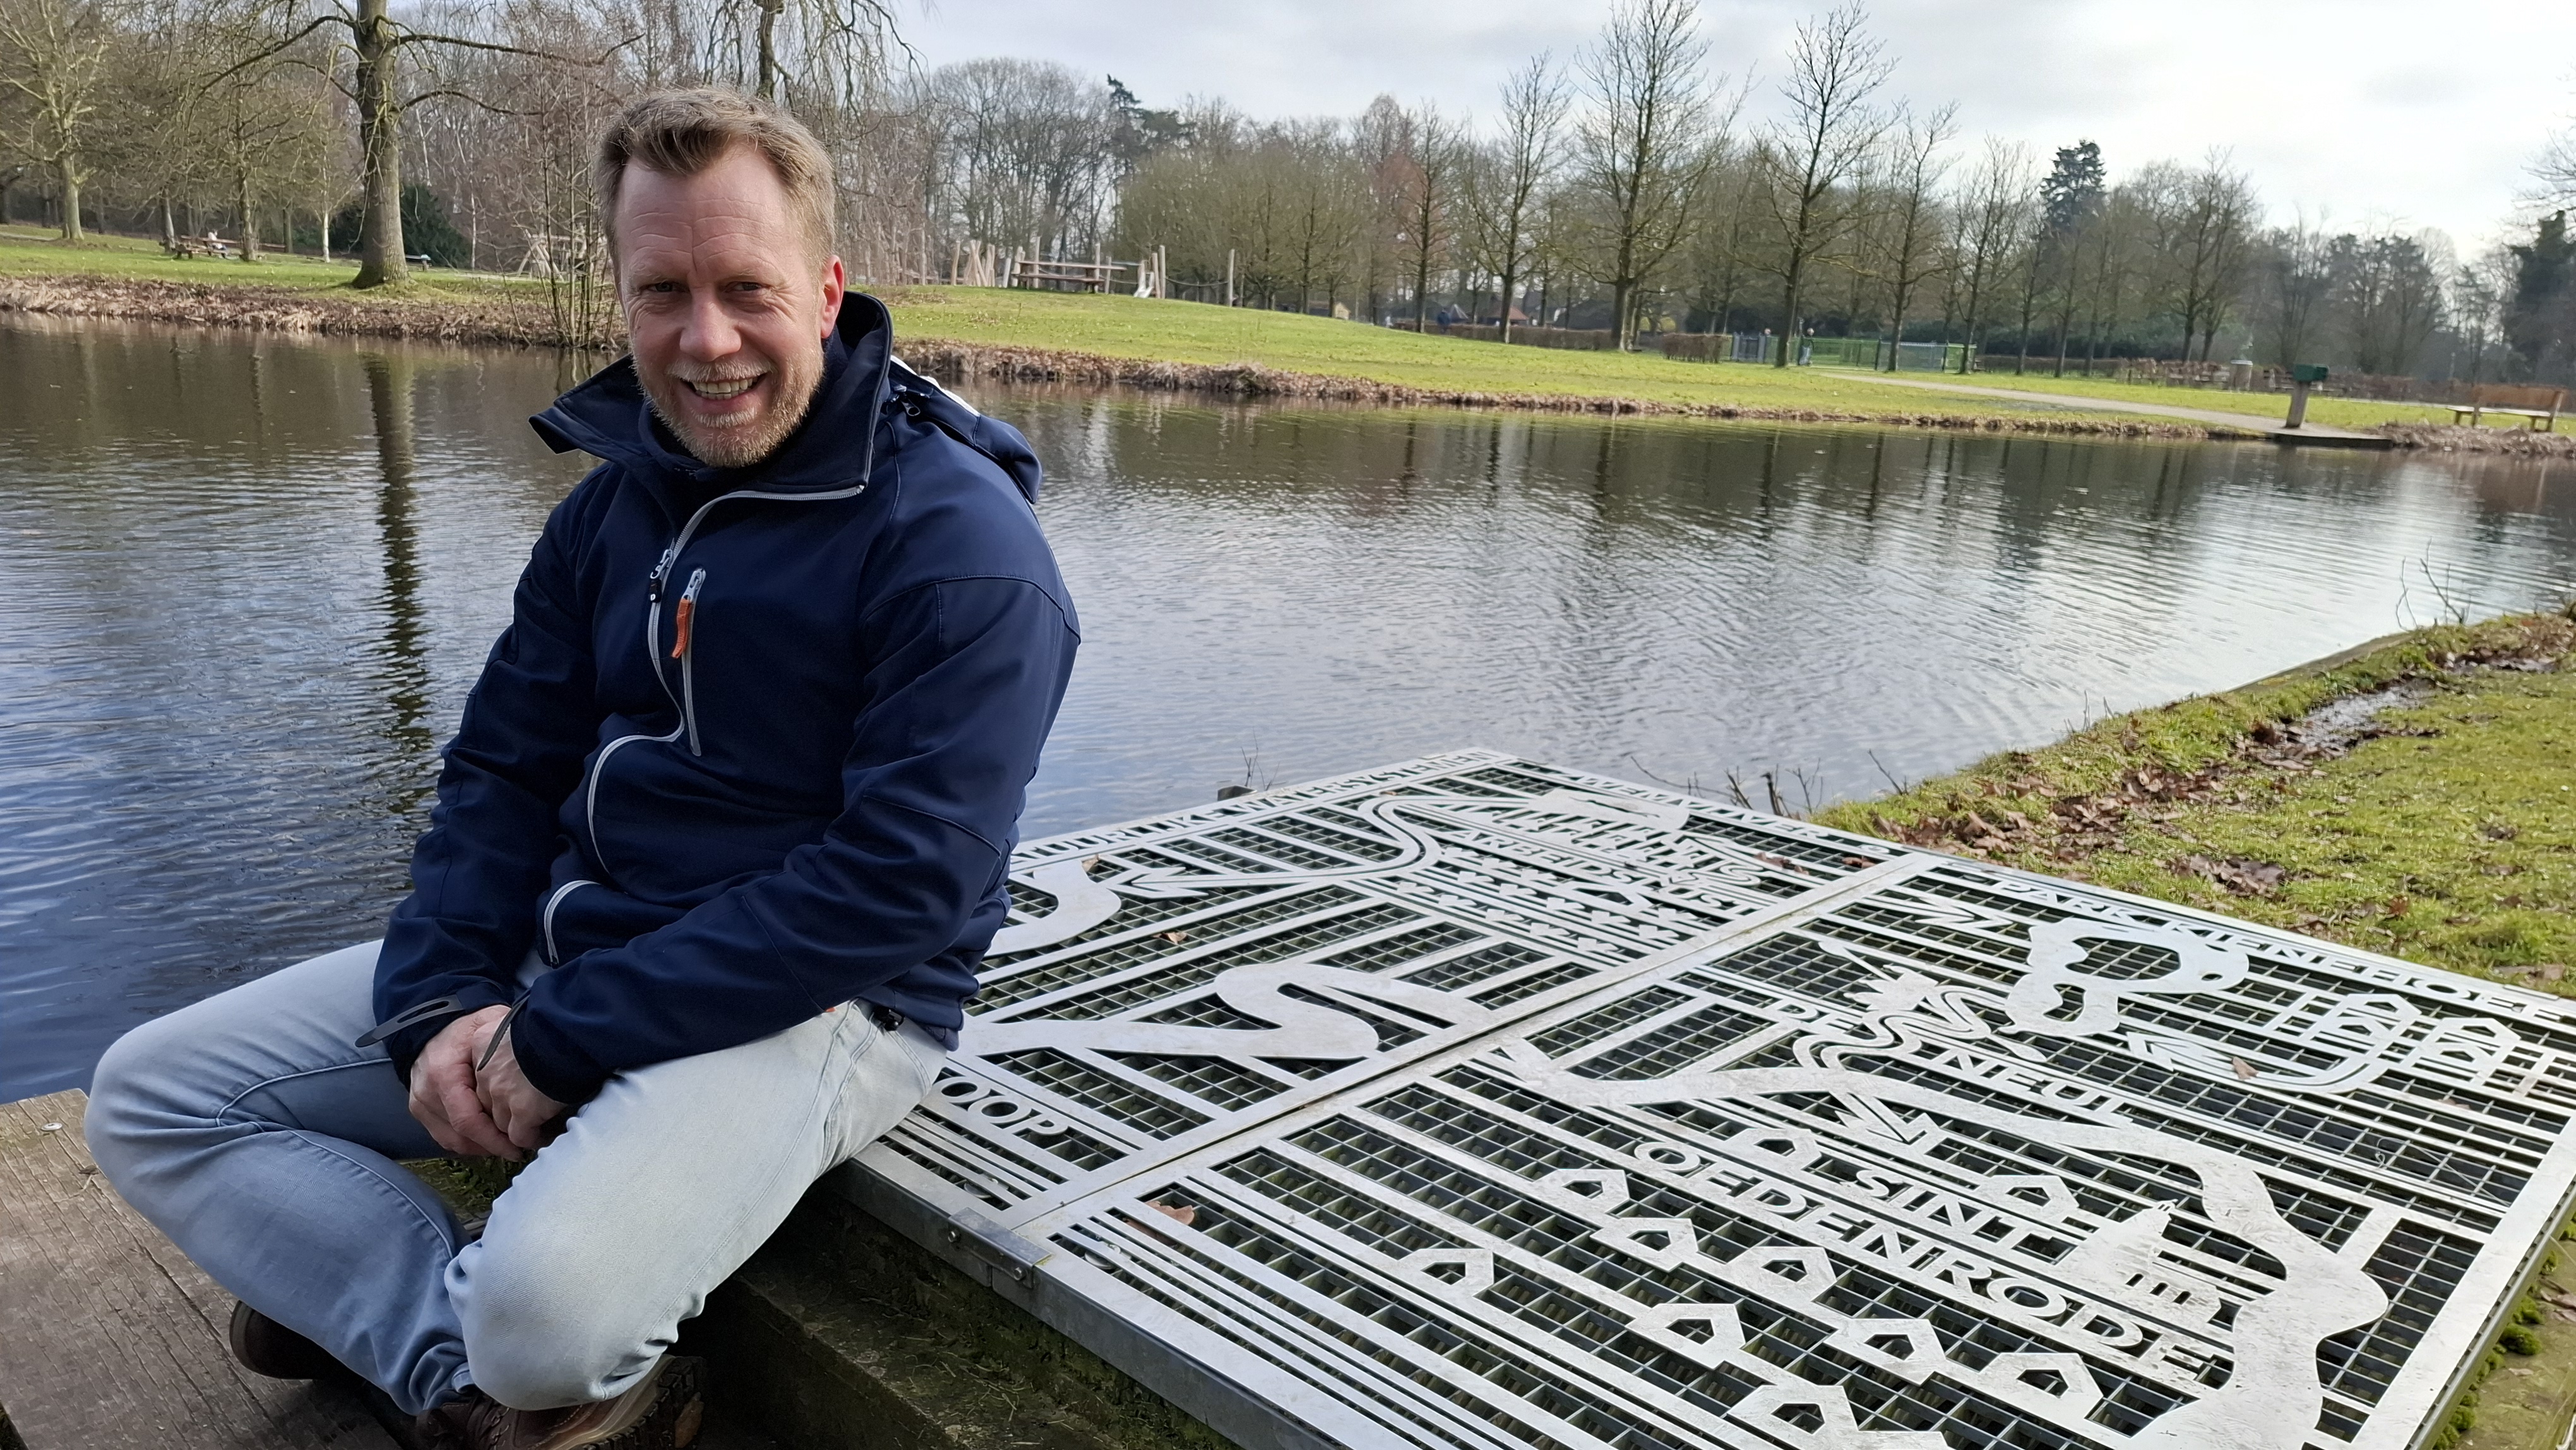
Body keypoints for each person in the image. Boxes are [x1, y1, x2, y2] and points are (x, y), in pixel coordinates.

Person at [85, 87, 1078, 1450]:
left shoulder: (963, 549)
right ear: (618, 290)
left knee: (544, 1312)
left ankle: (402, 1320)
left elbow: (895, 885)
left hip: (825, 1004)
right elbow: (502, 766)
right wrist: (445, 991)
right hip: (580, 946)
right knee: (150, 1093)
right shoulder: (620, 498)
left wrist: (560, 1036)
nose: (706, 339)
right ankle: (464, 1371)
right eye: (662, 289)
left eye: (747, 287)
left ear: (831, 287)